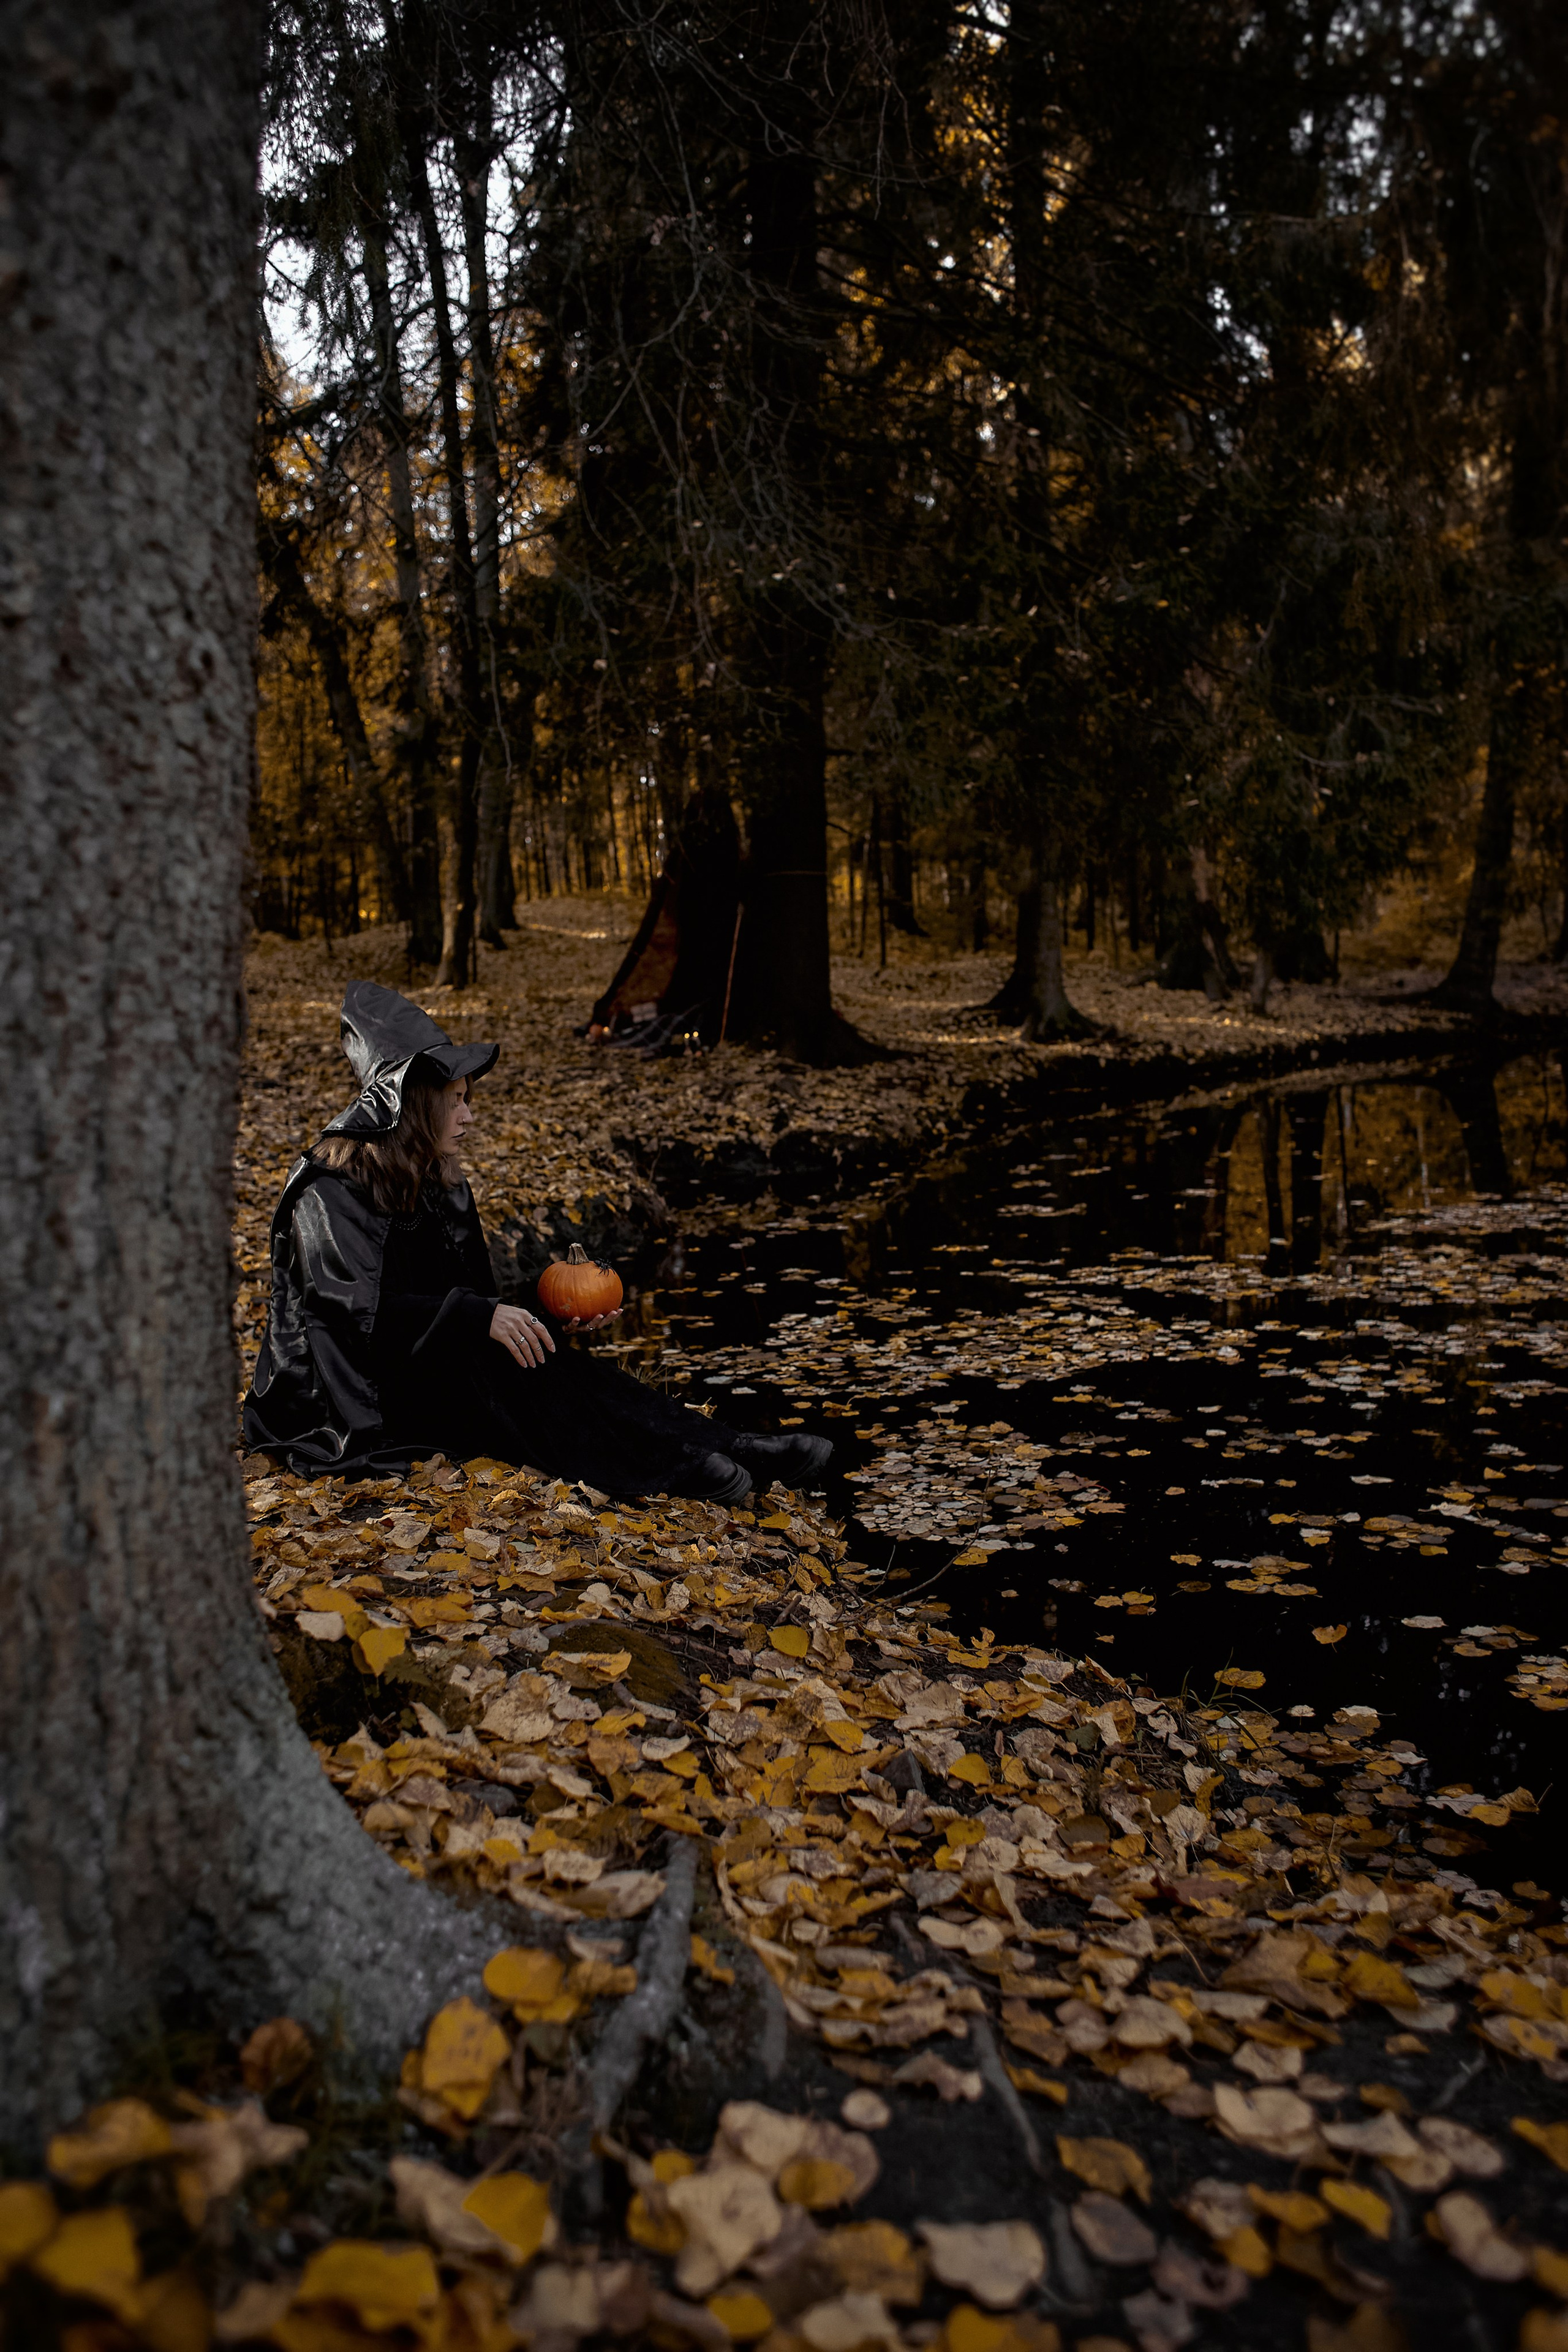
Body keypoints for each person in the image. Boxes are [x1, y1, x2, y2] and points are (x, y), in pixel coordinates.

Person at [243, 981, 832, 1506]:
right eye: (458, 1101)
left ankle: (735, 1447)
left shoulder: (435, 1178)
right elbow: (348, 1324)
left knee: (548, 1363)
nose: (470, 1117)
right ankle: (672, 1467)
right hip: (343, 1403)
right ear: (414, 1105)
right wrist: (478, 1320)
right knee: (510, 1385)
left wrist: (546, 1319)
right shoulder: (330, 1191)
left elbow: (466, 1301)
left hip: (421, 1365)